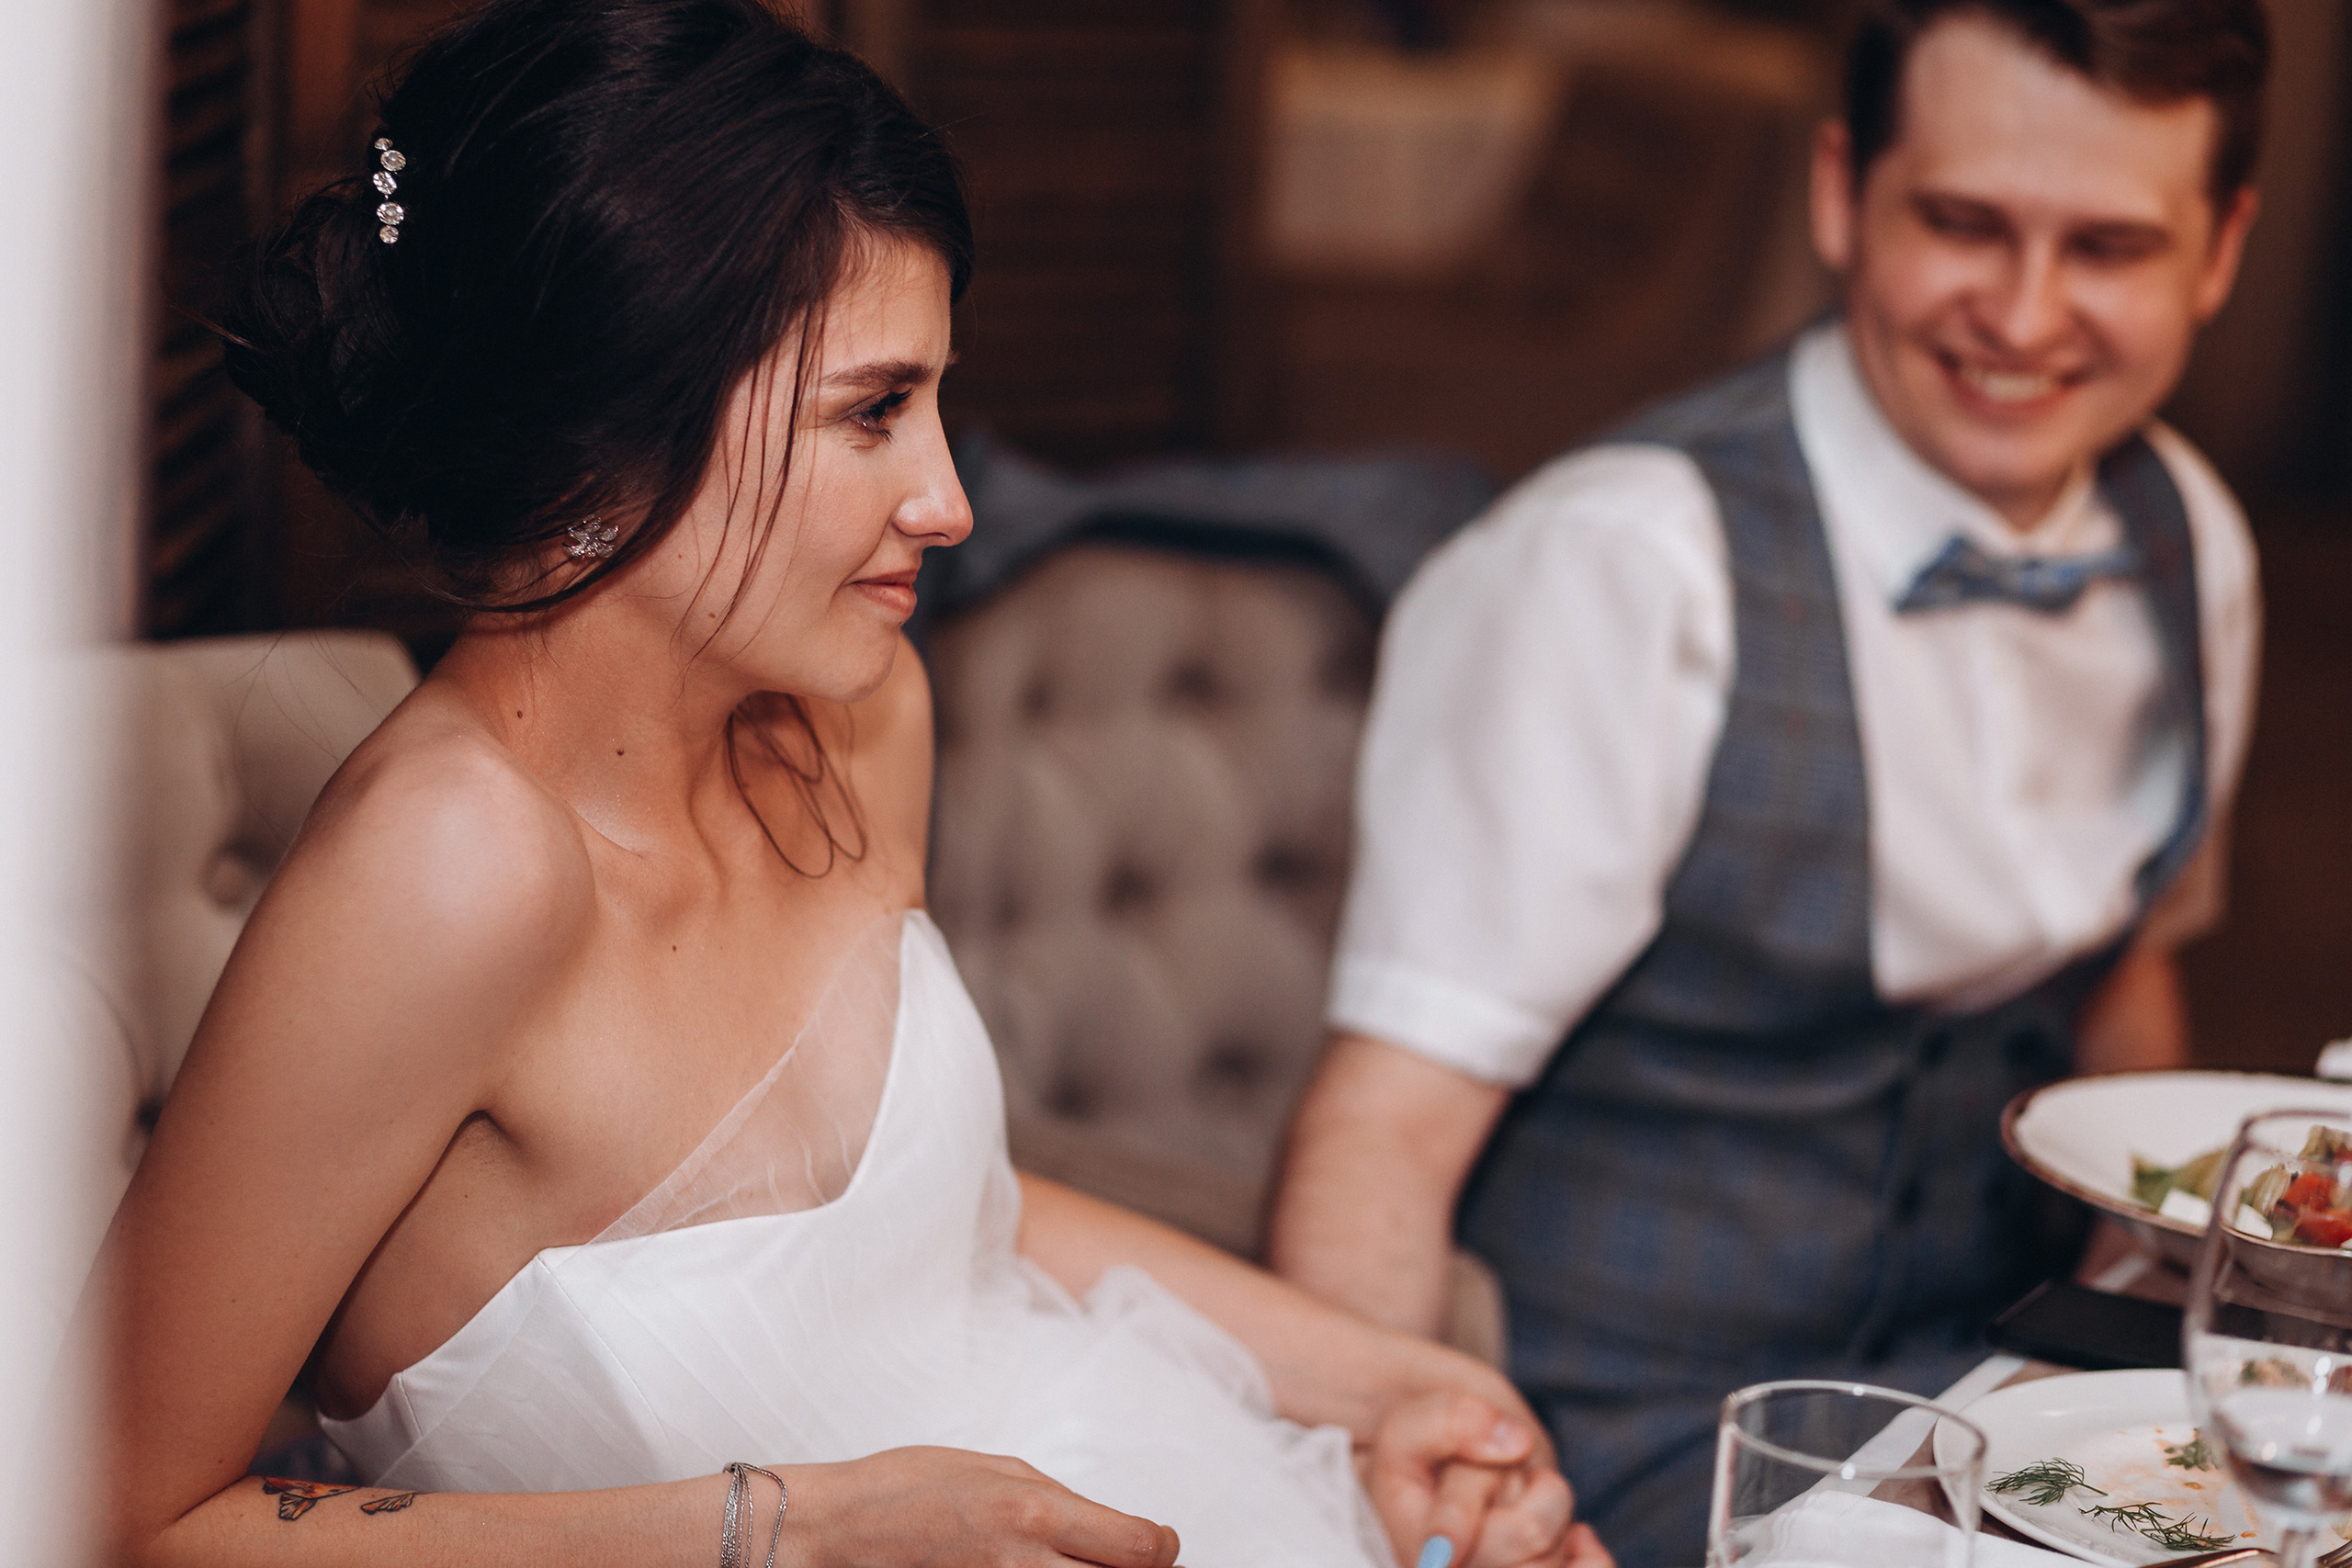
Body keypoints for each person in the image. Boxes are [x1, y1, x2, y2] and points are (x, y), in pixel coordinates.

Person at [89, 6, 1617, 1566]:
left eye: (937, 402)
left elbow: (940, 1229)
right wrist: (793, 1534)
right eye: (874, 411)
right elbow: (107, 1517)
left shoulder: (859, 718)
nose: (949, 500)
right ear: (604, 430)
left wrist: (1386, 1386)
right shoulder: (448, 870)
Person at [1267, 2, 2267, 1562]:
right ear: (1839, 196)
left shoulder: (2191, 540)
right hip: (1644, 1431)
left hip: (2023, 1379)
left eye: (2110, 249)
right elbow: (1385, 1131)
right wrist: (1384, 1521)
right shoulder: (1618, 566)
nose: (2024, 313)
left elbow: (2122, 985)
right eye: (1963, 224)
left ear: (2219, 253)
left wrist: (2162, 1351)